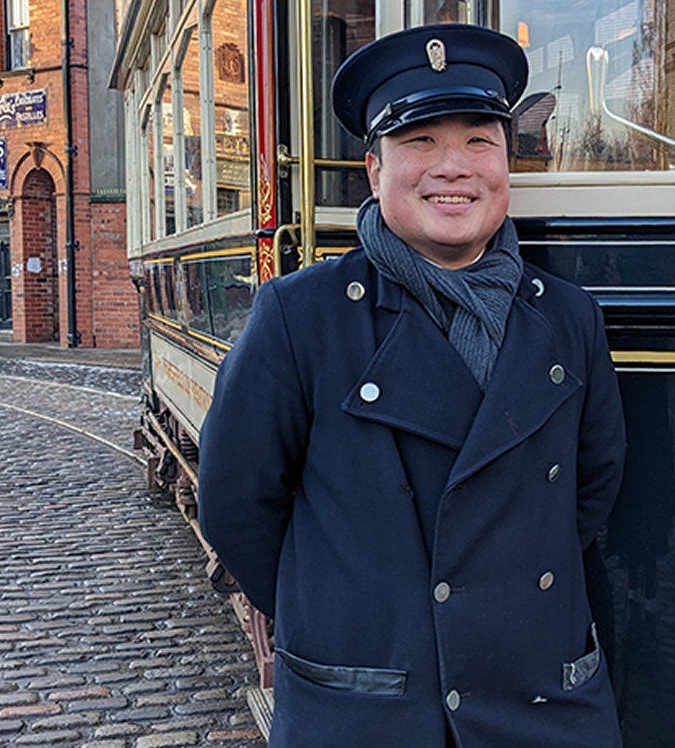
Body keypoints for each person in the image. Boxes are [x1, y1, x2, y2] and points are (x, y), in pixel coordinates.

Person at [196, 24, 626, 748]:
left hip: (542, 702)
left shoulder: (568, 317)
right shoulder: (302, 316)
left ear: (507, 163)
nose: (453, 168)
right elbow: (236, 503)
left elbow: (591, 487)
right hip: (371, 707)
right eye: (421, 142)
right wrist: (338, 614)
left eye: (480, 141)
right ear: (374, 168)